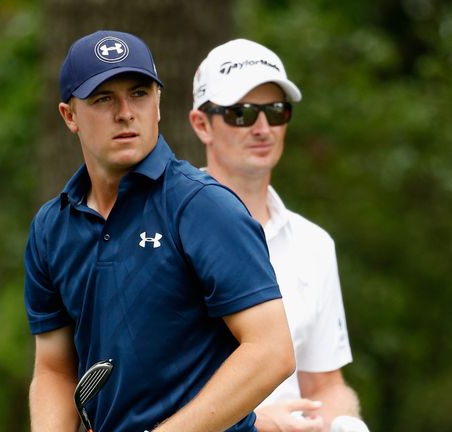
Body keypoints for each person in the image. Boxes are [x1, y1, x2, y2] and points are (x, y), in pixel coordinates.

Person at [23, 30, 295, 432]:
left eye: (139, 93)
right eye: (103, 99)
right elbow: (53, 370)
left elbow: (272, 352)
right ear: (69, 116)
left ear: (159, 103)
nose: (125, 112)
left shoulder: (202, 206)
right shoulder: (52, 227)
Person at [188, 39, 370, 432]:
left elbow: (324, 383)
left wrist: (344, 422)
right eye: (241, 113)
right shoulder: (161, 232)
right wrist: (255, 424)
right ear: (202, 124)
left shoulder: (314, 244)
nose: (262, 128)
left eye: (275, 112)